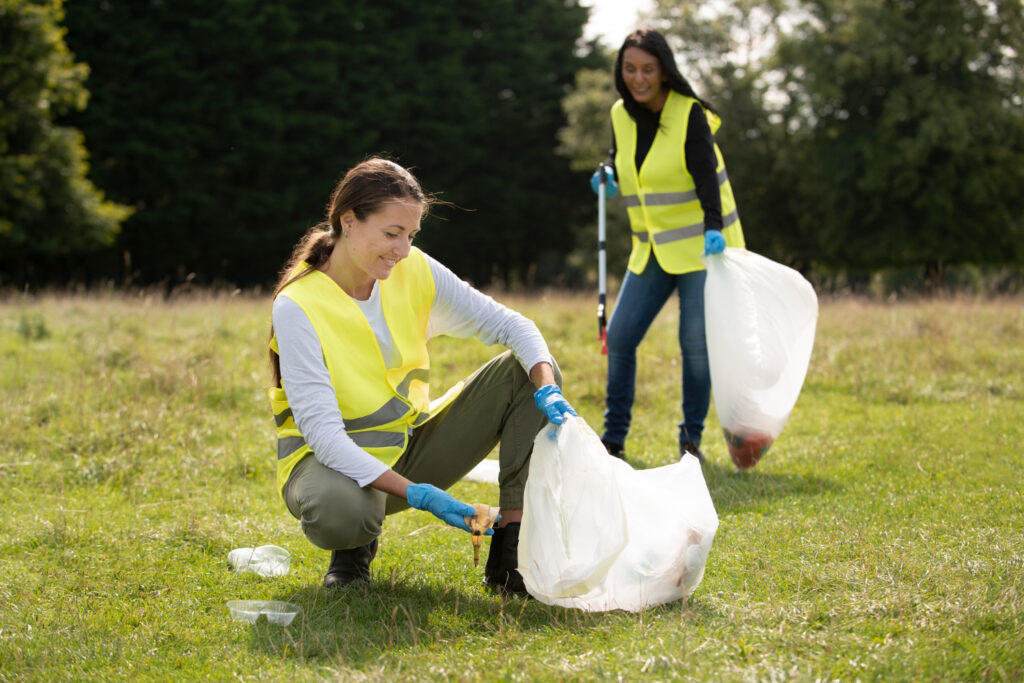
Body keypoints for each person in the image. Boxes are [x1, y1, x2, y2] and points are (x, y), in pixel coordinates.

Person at [267, 157, 577, 596]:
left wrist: (546, 388)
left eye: (410, 236)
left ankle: (511, 554)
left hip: (407, 443)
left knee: (528, 371)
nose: (402, 250)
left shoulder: (414, 270)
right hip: (328, 466)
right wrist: (419, 494)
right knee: (342, 512)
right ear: (348, 221)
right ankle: (354, 549)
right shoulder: (297, 305)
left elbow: (516, 327)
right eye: (392, 234)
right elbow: (325, 437)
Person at [591, 29, 745, 463]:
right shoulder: (621, 114)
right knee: (620, 338)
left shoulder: (688, 114)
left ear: (663, 71)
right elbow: (623, 158)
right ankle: (613, 440)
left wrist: (714, 228)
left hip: (700, 249)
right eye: (630, 69)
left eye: (648, 70)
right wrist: (608, 172)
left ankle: (690, 441)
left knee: (694, 345)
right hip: (651, 251)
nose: (638, 78)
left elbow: (707, 178)